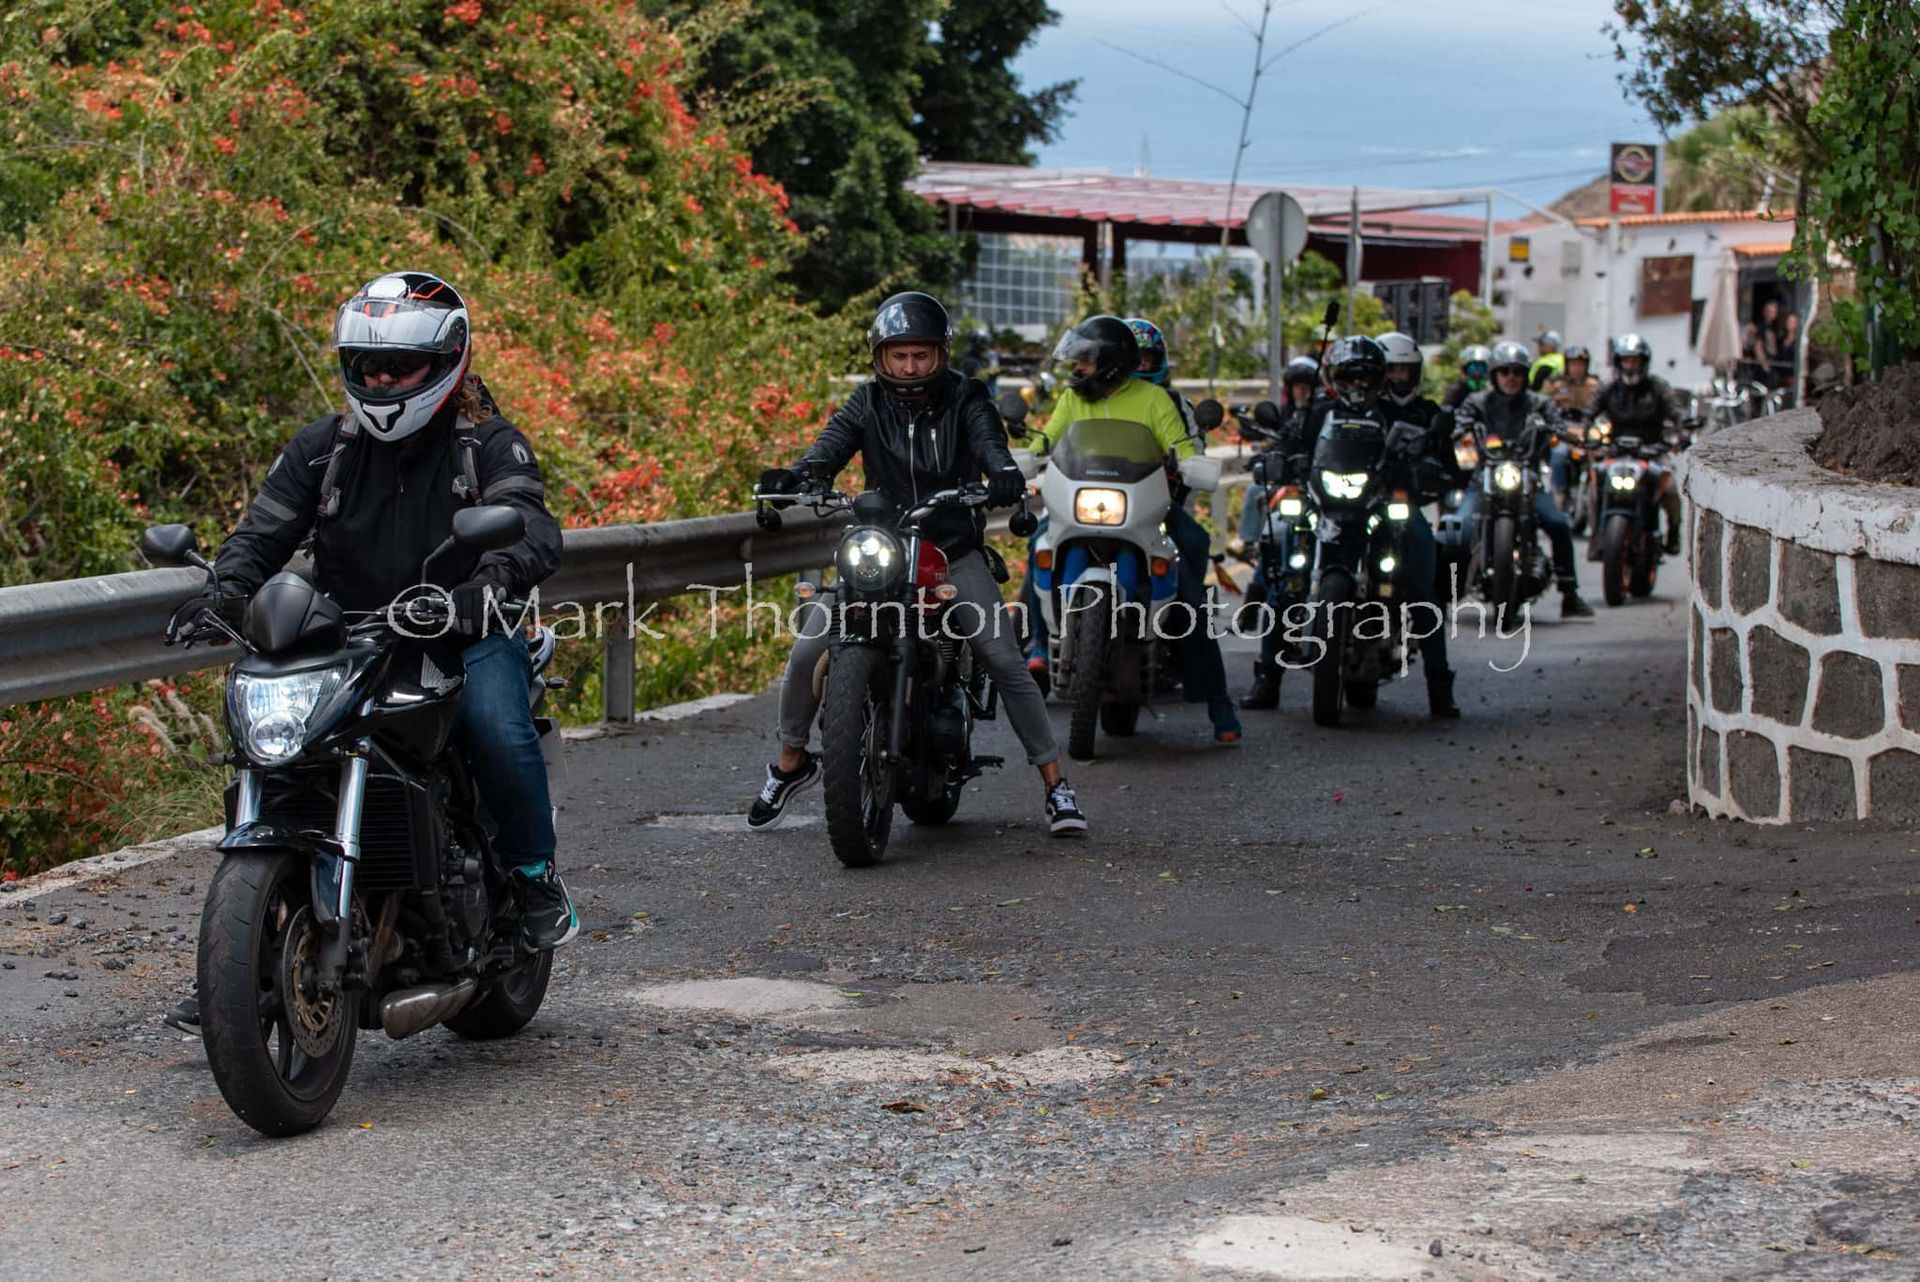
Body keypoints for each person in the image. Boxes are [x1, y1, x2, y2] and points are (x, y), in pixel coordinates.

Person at [158, 271, 574, 1035]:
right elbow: (263, 533)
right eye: (368, 366)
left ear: (448, 358)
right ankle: (243, 958)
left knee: (498, 728)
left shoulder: (488, 442)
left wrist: (488, 583)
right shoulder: (325, 448)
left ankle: (534, 878)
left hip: (461, 628)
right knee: (275, 749)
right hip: (348, 635)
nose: (381, 381)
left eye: (400, 368)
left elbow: (530, 525)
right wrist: (222, 591)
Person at [748, 292, 1088, 837]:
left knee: (1003, 658)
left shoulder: (966, 397)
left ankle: (1055, 784)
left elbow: (988, 441)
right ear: (880, 356)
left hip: (950, 548)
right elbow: (828, 448)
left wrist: (999, 471)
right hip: (880, 548)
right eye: (899, 356)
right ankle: (792, 764)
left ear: (941, 355)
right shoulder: (865, 403)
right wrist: (799, 475)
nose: (910, 367)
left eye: (921, 356)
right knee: (810, 643)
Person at [1030, 315, 1243, 745]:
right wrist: (1021, 455)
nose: (1078, 369)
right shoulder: (1073, 401)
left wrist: (1188, 464)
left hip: (1147, 509)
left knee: (1188, 586)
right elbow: (1047, 439)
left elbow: (1182, 446)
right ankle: (1037, 647)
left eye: (1086, 362)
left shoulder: (1155, 400)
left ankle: (1219, 703)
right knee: (1038, 544)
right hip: (1083, 506)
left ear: (1108, 363)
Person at [1289, 334, 1459, 716]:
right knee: (1285, 568)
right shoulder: (1324, 411)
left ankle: (1439, 685)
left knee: (1420, 586)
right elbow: (1296, 441)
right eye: (1349, 378)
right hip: (1335, 504)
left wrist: (1428, 462)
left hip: (1387, 505)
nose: (1358, 386)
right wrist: (1284, 458)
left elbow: (1445, 465)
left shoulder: (1405, 412)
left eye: (1366, 377)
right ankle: (1267, 673)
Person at [1455, 340, 1596, 619]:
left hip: (1527, 474)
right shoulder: (1478, 402)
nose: (1511, 378)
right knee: (1458, 527)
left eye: (1517, 372)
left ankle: (1570, 594)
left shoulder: (1539, 403)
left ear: (1525, 375)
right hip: (1485, 476)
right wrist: (1454, 431)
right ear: (1494, 375)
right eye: (1504, 371)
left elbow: (1557, 424)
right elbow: (1460, 422)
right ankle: (1444, 594)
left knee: (1557, 523)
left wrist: (1566, 433)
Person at [1588, 333, 1683, 555]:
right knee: (1594, 484)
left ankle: (1674, 533)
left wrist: (1682, 430)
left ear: (1644, 362)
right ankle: (1597, 536)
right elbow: (1589, 413)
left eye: (1635, 361)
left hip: (1651, 451)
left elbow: (1676, 410)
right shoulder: (1608, 388)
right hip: (1615, 451)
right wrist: (1587, 433)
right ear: (1619, 363)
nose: (1631, 366)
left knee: (1670, 490)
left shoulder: (1658, 387)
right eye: (1626, 361)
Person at [1544, 344, 1600, 508]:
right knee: (1559, 454)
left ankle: (1598, 494)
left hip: (1588, 430)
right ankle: (1560, 492)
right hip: (1563, 430)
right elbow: (1545, 407)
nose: (1577, 368)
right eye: (1573, 364)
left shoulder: (1595, 384)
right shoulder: (1555, 384)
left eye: (1580, 364)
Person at [1443, 343, 1492, 408]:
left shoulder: (1492, 390)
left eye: (1481, 366)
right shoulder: (1456, 389)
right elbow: (1445, 409)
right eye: (1473, 366)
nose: (1477, 372)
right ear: (1465, 369)